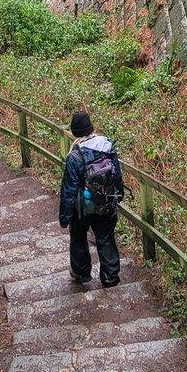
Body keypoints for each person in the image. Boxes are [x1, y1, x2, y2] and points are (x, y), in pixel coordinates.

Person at [59, 109, 124, 287]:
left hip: (83, 207)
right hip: (106, 201)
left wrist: (65, 217)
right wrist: (119, 195)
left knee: (78, 237)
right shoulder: (107, 146)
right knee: (106, 238)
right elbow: (117, 175)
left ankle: (82, 273)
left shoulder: (75, 155)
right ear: (91, 127)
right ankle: (110, 277)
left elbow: (69, 188)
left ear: (74, 132)